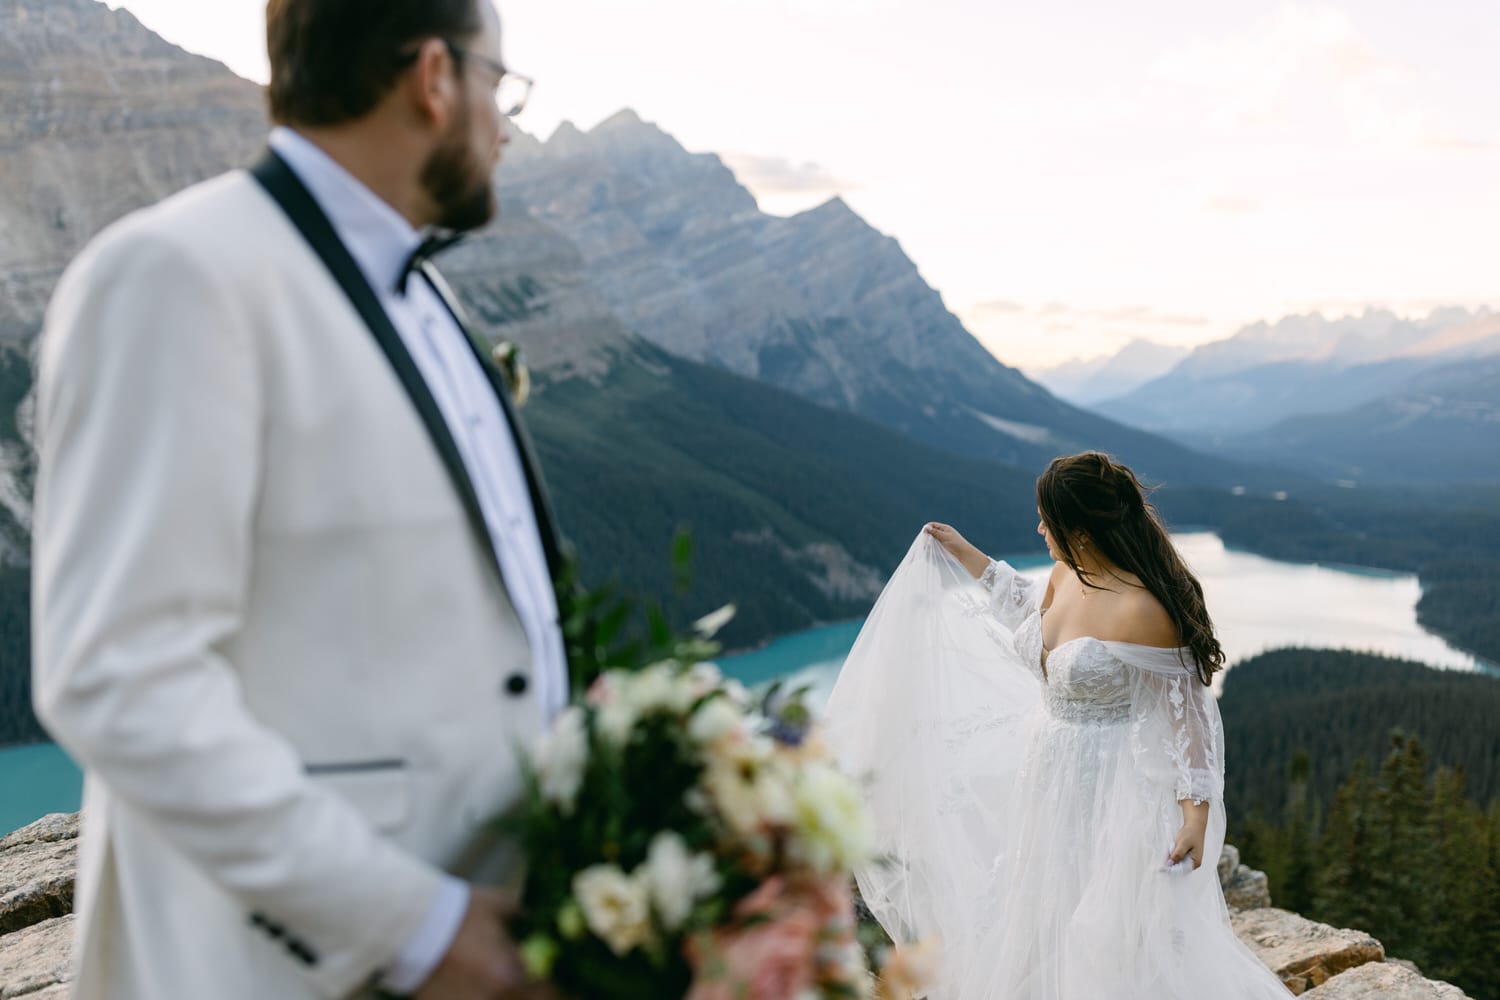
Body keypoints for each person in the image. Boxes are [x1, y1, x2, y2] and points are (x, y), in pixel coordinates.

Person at [31, 2, 563, 997]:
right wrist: (416, 926)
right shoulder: (175, 274)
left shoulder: (432, 302)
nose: (506, 124)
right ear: (433, 78)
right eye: (501, 84)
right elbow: (117, 675)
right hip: (279, 966)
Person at [824, 452, 1292, 998]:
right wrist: (964, 553)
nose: (1039, 528)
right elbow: (1033, 615)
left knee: (1099, 926)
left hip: (1112, 786)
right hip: (1047, 773)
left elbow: (1189, 715)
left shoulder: (1144, 610)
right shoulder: (1067, 572)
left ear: (1082, 531)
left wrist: (1195, 814)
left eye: (1047, 520)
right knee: (1039, 904)